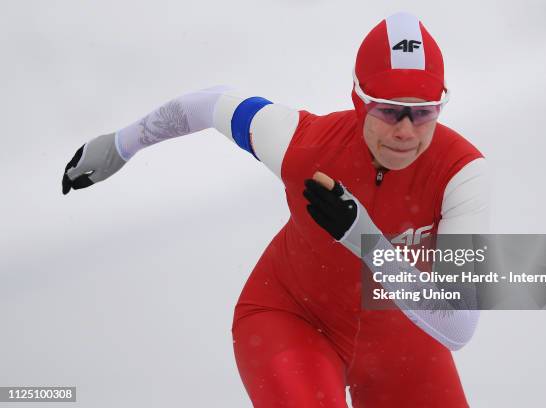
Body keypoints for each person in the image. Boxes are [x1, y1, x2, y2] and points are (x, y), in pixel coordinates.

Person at [62, 12, 489, 407]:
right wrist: (120, 145)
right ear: (359, 99)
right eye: (389, 110)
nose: (405, 131)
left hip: (401, 334)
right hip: (293, 320)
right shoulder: (301, 143)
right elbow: (210, 105)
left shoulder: (461, 174)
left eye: (423, 112)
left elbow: (458, 324)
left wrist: (362, 237)